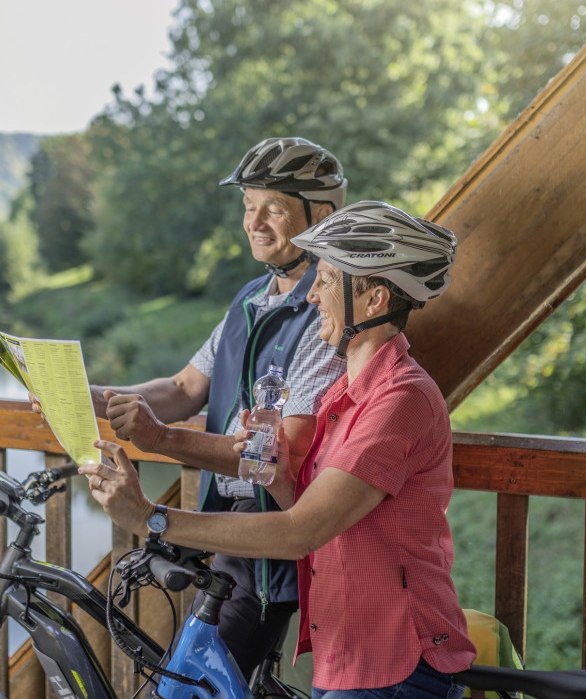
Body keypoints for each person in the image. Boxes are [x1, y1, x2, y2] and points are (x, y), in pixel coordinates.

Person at [80, 200, 477, 698]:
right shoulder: (344, 394)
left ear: (375, 301)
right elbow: (314, 514)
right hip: (353, 653)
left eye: (328, 280)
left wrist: (149, 518)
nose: (312, 296)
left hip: (393, 660)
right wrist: (279, 475)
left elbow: (299, 534)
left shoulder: (401, 401)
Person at [62, 137, 349, 679]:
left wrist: (163, 440)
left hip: (273, 547)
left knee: (191, 687)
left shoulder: (327, 307)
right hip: (225, 534)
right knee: (201, 679)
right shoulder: (249, 299)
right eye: (247, 206)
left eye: (274, 208)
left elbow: (284, 450)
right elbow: (182, 387)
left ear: (322, 216)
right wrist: (82, 395)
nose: (254, 222)